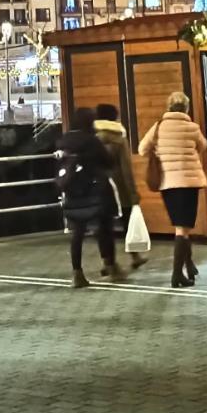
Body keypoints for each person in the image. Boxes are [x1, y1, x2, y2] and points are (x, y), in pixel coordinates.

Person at [138, 91, 207, 288]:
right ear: (186, 108)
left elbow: (142, 149)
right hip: (189, 182)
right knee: (183, 228)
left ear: (168, 107)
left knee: (180, 228)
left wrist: (159, 150)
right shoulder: (192, 127)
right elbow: (203, 146)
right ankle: (177, 274)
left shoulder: (158, 127)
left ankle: (189, 265)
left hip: (168, 183)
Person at [57, 107, 121, 286]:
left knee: (77, 232)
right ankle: (110, 266)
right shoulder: (92, 141)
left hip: (72, 192)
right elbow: (108, 162)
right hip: (95, 191)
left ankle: (77, 273)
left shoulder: (64, 141)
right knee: (104, 228)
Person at [91, 103, 145, 268]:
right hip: (120, 185)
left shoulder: (92, 138)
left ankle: (107, 262)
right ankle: (135, 255)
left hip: (99, 185)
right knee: (128, 219)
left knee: (103, 225)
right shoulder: (119, 139)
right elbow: (126, 168)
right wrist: (133, 192)